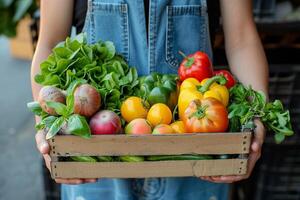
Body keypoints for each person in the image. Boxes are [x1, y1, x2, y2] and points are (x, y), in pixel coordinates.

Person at [31, 0, 268, 199]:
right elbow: (50, 43)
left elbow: (242, 39)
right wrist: (44, 123)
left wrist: (258, 114)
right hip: (97, 166)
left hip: (197, 163)